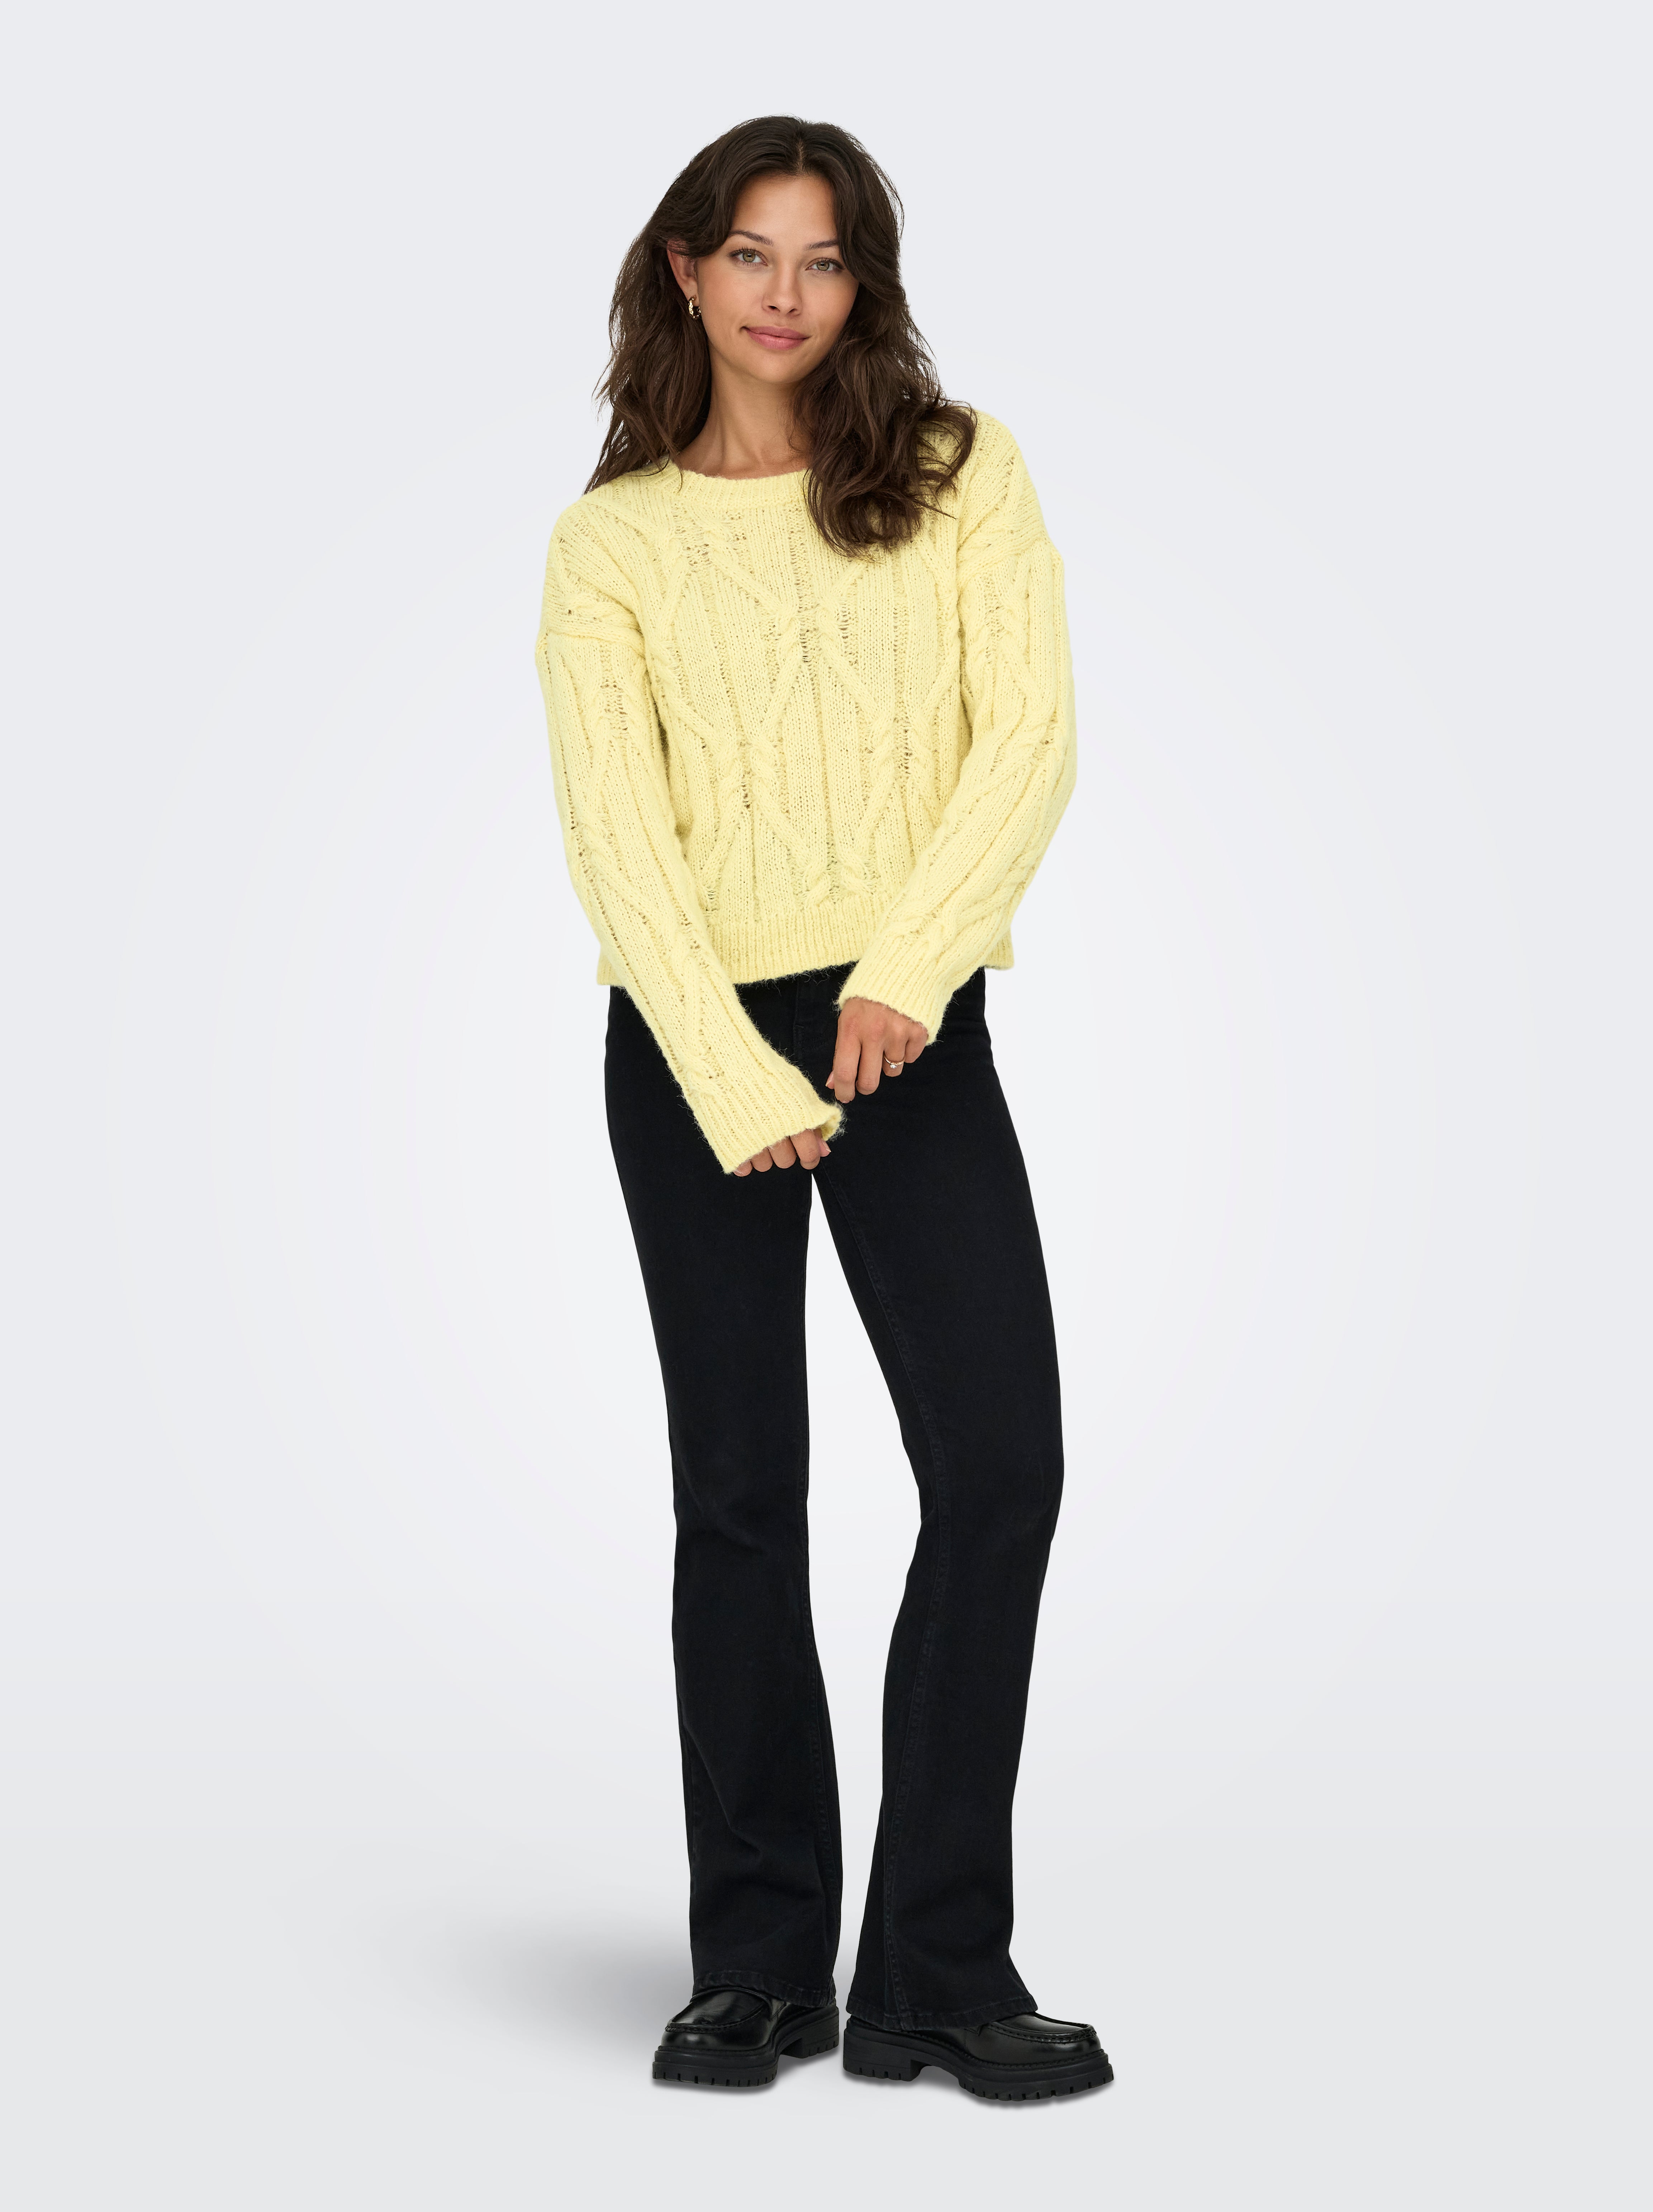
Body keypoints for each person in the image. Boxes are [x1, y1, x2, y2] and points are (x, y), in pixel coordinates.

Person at [535, 115, 1110, 2103]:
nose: (786, 294)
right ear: (684, 271)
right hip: (691, 1036)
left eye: (827, 258)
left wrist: (903, 975)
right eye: (751, 254)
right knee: (740, 1494)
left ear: (865, 283)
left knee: (1000, 1468)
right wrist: (727, 1070)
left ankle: (933, 1969)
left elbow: (1027, 741)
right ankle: (758, 1968)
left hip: (904, 1024)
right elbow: (615, 834)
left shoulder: (954, 473)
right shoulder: (610, 543)